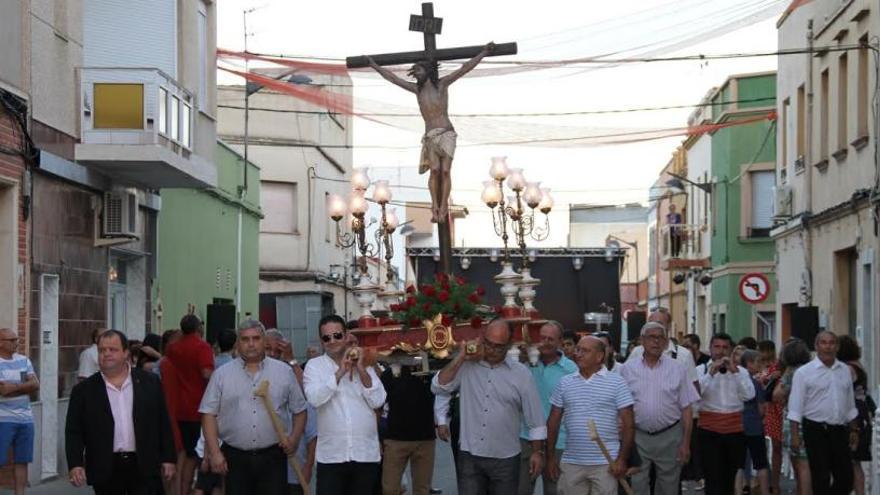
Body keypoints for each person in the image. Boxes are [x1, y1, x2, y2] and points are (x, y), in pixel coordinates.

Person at [367, 43, 496, 222]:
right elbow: (393, 79)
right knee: (434, 170)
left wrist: (482, 53)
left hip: (447, 133)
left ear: (428, 71)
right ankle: (434, 206)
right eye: (416, 71)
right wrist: (374, 66)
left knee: (445, 171)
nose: (417, 73)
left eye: (420, 70)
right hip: (430, 136)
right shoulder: (416, 90)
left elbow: (464, 69)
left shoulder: (442, 85)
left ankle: (443, 207)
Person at [432, 318, 546, 495]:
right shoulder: (467, 365)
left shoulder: (521, 374)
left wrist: (537, 452)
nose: (492, 350)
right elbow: (438, 386)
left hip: (506, 458)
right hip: (470, 455)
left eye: (498, 346)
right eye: (488, 344)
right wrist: (461, 357)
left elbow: (536, 419)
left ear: (509, 345)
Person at [200, 318, 307, 495]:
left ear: (264, 341)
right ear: (238, 343)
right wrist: (215, 452)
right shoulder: (221, 375)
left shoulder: (284, 372)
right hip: (235, 458)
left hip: (273, 457)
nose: (251, 344)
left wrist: (294, 439)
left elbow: (300, 410)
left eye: (256, 338)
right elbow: (208, 414)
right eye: (245, 339)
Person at [65, 329, 176, 494]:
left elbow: (163, 422)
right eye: (102, 350)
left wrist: (168, 458)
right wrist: (75, 464)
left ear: (126, 353)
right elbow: (74, 431)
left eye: (113, 349)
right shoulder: (84, 391)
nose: (107, 354)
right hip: (105, 466)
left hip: (143, 463)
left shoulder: (149, 383)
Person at [304, 314, 387, 494]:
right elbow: (314, 398)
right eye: (327, 338)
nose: (332, 341)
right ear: (321, 340)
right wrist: (340, 372)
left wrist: (361, 369)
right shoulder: (314, 366)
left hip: (365, 455)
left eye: (337, 335)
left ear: (346, 335)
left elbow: (378, 400)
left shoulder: (365, 364)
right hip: (332, 458)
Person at [546, 336, 634, 494]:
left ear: (599, 356)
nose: (578, 354)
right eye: (578, 349)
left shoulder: (617, 382)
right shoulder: (565, 382)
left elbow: (629, 424)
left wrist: (622, 459)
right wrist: (551, 457)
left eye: (584, 351)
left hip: (606, 463)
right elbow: (553, 421)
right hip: (572, 462)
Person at [619, 322, 698, 495]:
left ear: (665, 342)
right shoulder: (627, 369)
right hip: (638, 436)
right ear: (642, 340)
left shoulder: (678, 368)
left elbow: (687, 409)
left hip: (670, 436)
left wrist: (686, 443)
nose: (656, 342)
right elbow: (619, 408)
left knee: (669, 486)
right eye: (651, 337)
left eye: (661, 337)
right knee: (638, 486)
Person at [788, 331, 858, 494]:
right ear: (816, 346)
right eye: (824, 343)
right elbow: (795, 406)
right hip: (815, 429)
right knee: (821, 476)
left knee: (846, 478)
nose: (828, 347)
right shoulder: (804, 373)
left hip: (839, 429)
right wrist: (795, 436)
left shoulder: (845, 371)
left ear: (837, 347)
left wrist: (854, 428)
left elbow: (849, 403)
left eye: (832, 343)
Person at [517, 321, 577, 495]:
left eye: (551, 339)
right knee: (521, 490)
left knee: (555, 490)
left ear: (560, 341)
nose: (545, 342)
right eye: (542, 338)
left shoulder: (571, 370)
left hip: (558, 441)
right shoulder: (524, 364)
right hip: (526, 436)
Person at [696, 332, 755, 495]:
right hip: (709, 430)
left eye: (725, 347)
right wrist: (710, 374)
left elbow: (749, 395)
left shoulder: (740, 372)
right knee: (712, 477)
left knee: (730, 477)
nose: (720, 351)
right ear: (710, 348)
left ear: (730, 350)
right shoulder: (700, 370)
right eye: (717, 347)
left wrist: (735, 373)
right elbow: (695, 395)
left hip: (734, 430)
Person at [166, 314, 215, 495]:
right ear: (198, 328)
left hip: (177, 405)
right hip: (197, 407)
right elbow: (206, 373)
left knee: (179, 455)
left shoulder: (173, 348)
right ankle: (186, 490)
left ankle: (176, 491)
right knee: (192, 457)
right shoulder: (202, 347)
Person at [380, 356, 436, 495]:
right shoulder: (389, 374)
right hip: (395, 440)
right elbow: (378, 405)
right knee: (390, 489)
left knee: (422, 489)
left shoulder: (430, 369)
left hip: (425, 439)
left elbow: (442, 392)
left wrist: (441, 421)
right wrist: (378, 437)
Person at [0, 328, 39, 495]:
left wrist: (13, 387)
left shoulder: (24, 360)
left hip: (26, 419)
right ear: (1, 342)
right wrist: (23, 387)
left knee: (22, 461)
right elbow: (3, 390)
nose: (17, 342)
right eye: (12, 340)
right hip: (3, 419)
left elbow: (35, 385)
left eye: (17, 339)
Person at [773, 338, 812, 495]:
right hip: (812, 420)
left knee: (801, 466)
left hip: (794, 421)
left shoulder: (791, 373)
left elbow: (777, 395)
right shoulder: (812, 370)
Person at [837, 335, 874, 495]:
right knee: (854, 461)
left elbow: (842, 390)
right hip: (862, 414)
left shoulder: (848, 369)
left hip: (853, 416)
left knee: (851, 461)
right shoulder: (858, 366)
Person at [737, 350, 770, 495]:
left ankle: (738, 491)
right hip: (755, 426)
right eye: (758, 362)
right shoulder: (755, 383)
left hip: (738, 425)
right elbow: (761, 408)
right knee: (761, 463)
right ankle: (764, 491)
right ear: (749, 364)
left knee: (739, 464)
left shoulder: (736, 380)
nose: (760, 365)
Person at [756, 339, 782, 495]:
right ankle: (774, 483)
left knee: (777, 447)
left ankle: (775, 483)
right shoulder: (763, 367)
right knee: (775, 446)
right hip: (771, 408)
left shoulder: (777, 367)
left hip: (775, 407)